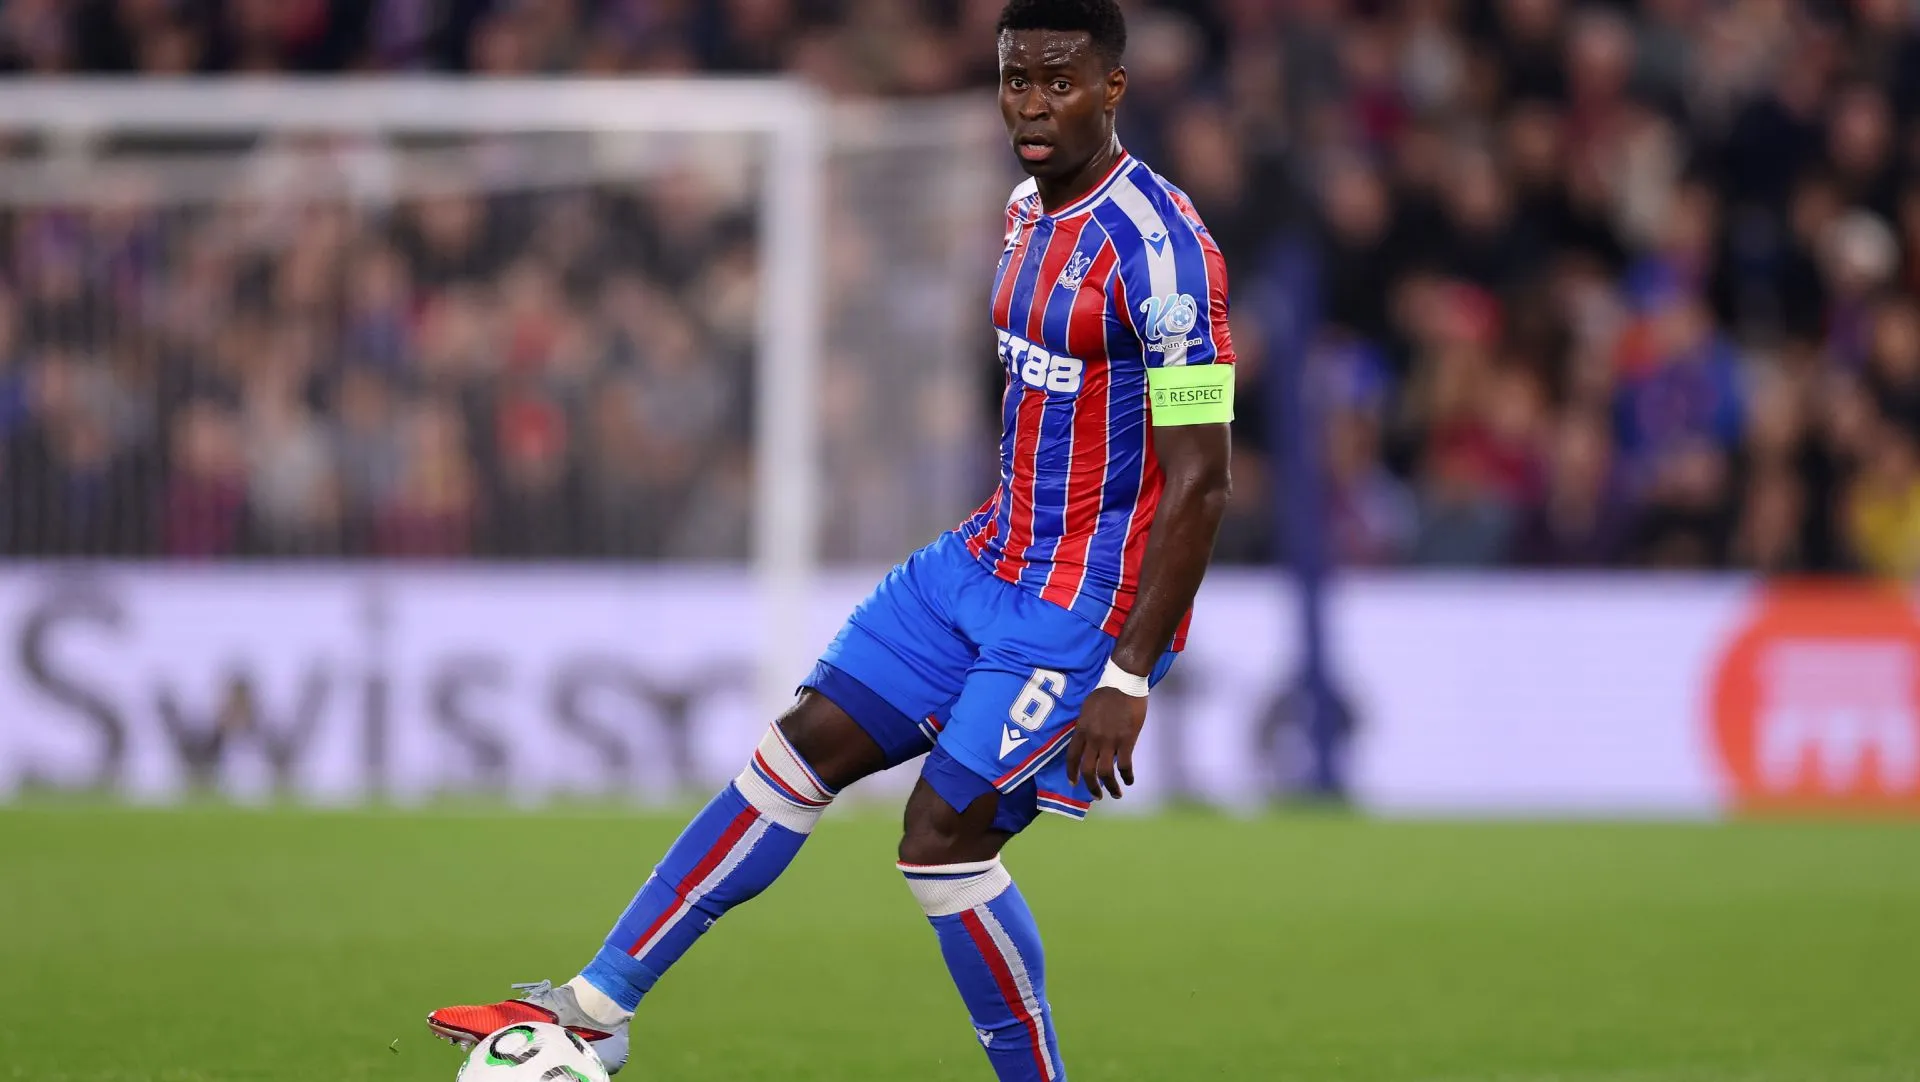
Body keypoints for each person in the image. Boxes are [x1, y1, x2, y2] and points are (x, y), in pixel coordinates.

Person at [426, 1, 1234, 1077]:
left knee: (941, 840)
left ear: (1113, 89)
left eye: (1060, 81)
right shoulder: (1020, 211)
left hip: (1078, 606)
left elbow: (1204, 482)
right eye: (1016, 80)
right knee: (798, 747)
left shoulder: (1167, 252)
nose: (1032, 104)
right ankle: (597, 1004)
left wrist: (1130, 671)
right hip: (981, 561)